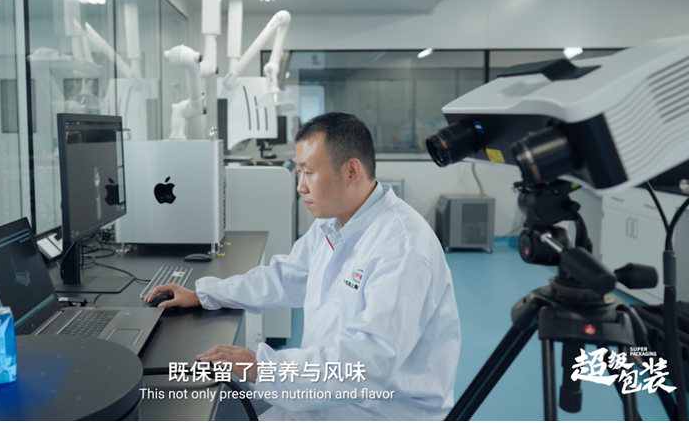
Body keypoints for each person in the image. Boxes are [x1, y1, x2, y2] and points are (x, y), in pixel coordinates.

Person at [146, 112, 460, 420]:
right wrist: (205, 294)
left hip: (379, 409)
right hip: (328, 394)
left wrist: (261, 367)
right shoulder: (334, 221)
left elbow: (367, 366)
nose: (300, 186)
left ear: (351, 171)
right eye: (299, 172)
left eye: (308, 172)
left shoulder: (402, 248)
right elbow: (288, 276)